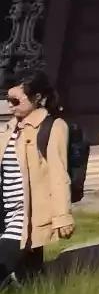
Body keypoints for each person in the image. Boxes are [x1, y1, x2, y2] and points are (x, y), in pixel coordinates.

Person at [2, 74, 75, 282]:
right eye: (7, 100)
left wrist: (62, 216)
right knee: (30, 278)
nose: (9, 106)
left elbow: (58, 174)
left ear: (37, 98)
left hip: (27, 217)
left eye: (15, 101)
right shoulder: (9, 129)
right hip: (5, 214)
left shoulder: (53, 127)